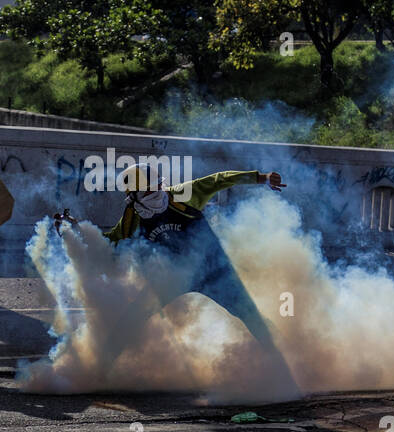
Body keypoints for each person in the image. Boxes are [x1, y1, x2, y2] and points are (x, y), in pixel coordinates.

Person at [102, 163, 296, 390]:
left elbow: (220, 178)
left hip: (213, 270)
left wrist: (260, 177)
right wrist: (76, 231)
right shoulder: (132, 216)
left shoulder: (183, 195)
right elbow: (112, 240)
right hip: (173, 277)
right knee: (132, 317)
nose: (155, 191)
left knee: (249, 313)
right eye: (147, 190)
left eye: (156, 185)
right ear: (134, 197)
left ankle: (291, 360)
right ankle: (97, 370)